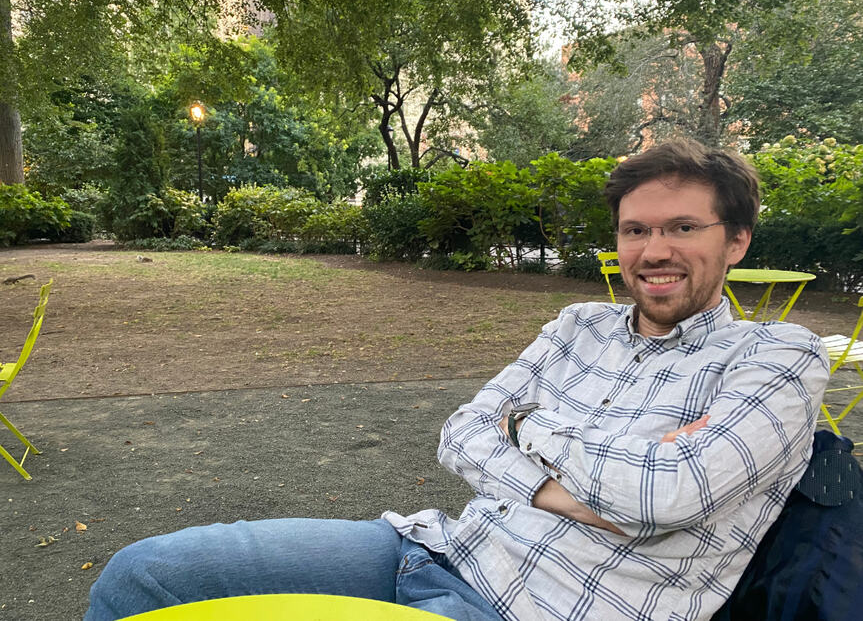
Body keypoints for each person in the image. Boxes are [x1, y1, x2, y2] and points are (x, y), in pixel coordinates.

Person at [85, 139, 829, 621]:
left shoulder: (777, 357)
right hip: (440, 548)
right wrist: (569, 476)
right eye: (635, 229)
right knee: (142, 576)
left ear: (735, 240)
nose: (653, 249)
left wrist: (527, 429)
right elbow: (461, 433)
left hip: (546, 609)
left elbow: (663, 495)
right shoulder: (579, 325)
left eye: (681, 228)